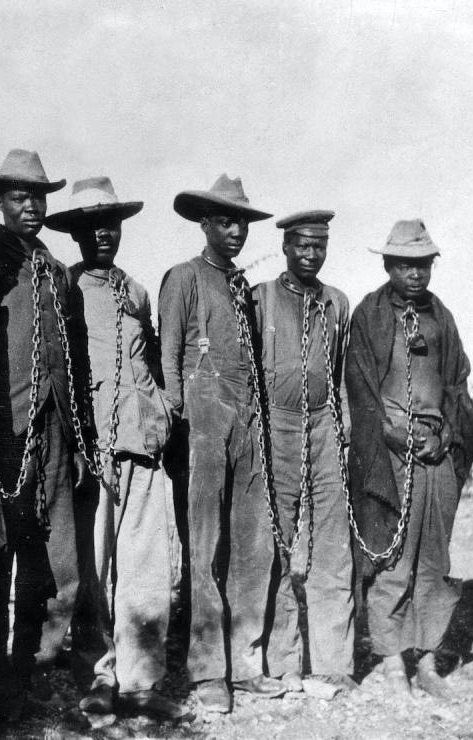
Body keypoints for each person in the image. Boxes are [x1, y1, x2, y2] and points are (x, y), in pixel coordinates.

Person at [46, 176, 185, 719]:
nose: (103, 234)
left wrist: (163, 414)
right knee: (94, 568)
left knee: (145, 567)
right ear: (77, 234)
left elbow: (148, 358)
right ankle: (99, 677)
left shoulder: (137, 290)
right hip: (92, 446)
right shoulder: (66, 287)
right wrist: (82, 441)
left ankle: (142, 683)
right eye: (91, 226)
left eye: (112, 224)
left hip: (142, 444)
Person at [0, 149, 91, 704]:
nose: (32, 207)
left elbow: (78, 360)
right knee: (0, 558)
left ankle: (30, 671)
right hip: (2, 435)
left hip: (56, 432)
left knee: (56, 561)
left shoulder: (59, 272)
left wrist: (80, 436)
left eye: (39, 197)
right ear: (0, 202)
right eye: (20, 197)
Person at [158, 174, 285, 713]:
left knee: (253, 547)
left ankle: (247, 660)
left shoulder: (242, 288)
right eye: (224, 221)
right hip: (202, 422)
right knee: (204, 549)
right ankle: (208, 671)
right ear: (204, 223)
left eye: (241, 223)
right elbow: (168, 360)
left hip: (248, 421)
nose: (235, 231)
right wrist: (178, 424)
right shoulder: (183, 278)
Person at [346, 219, 473, 698]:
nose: (416, 274)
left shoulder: (441, 316)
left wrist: (443, 437)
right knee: (392, 559)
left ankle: (426, 661)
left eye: (423, 264)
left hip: (435, 455)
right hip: (389, 455)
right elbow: (359, 389)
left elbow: (457, 386)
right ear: (388, 264)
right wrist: (394, 436)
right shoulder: (370, 315)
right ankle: (390, 664)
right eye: (406, 264)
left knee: (433, 558)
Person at [253, 210, 355, 696]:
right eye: (303, 245)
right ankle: (282, 661)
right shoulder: (262, 299)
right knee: (277, 543)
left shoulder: (338, 303)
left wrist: (342, 426)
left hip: (326, 426)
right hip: (277, 424)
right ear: (286, 247)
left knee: (332, 542)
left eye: (320, 246)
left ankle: (333, 661)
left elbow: (338, 372)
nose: (311, 254)